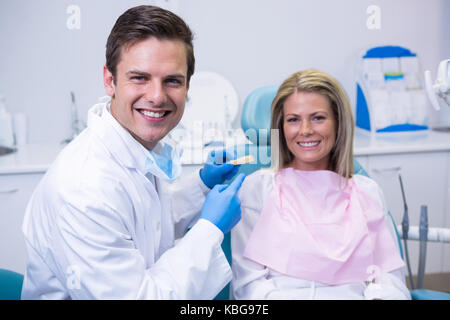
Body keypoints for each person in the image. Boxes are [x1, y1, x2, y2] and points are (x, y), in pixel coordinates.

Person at [21, 5, 245, 300]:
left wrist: (202, 183)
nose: (156, 96)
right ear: (110, 80)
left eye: (172, 80)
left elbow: (146, 223)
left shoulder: (135, 147)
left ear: (188, 86)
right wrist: (210, 230)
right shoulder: (82, 190)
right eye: (139, 77)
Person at [231, 69, 411, 300]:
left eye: (318, 118)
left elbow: (390, 282)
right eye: (293, 120)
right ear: (281, 127)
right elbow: (249, 287)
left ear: (338, 123)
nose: (305, 130)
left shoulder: (366, 192)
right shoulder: (257, 190)